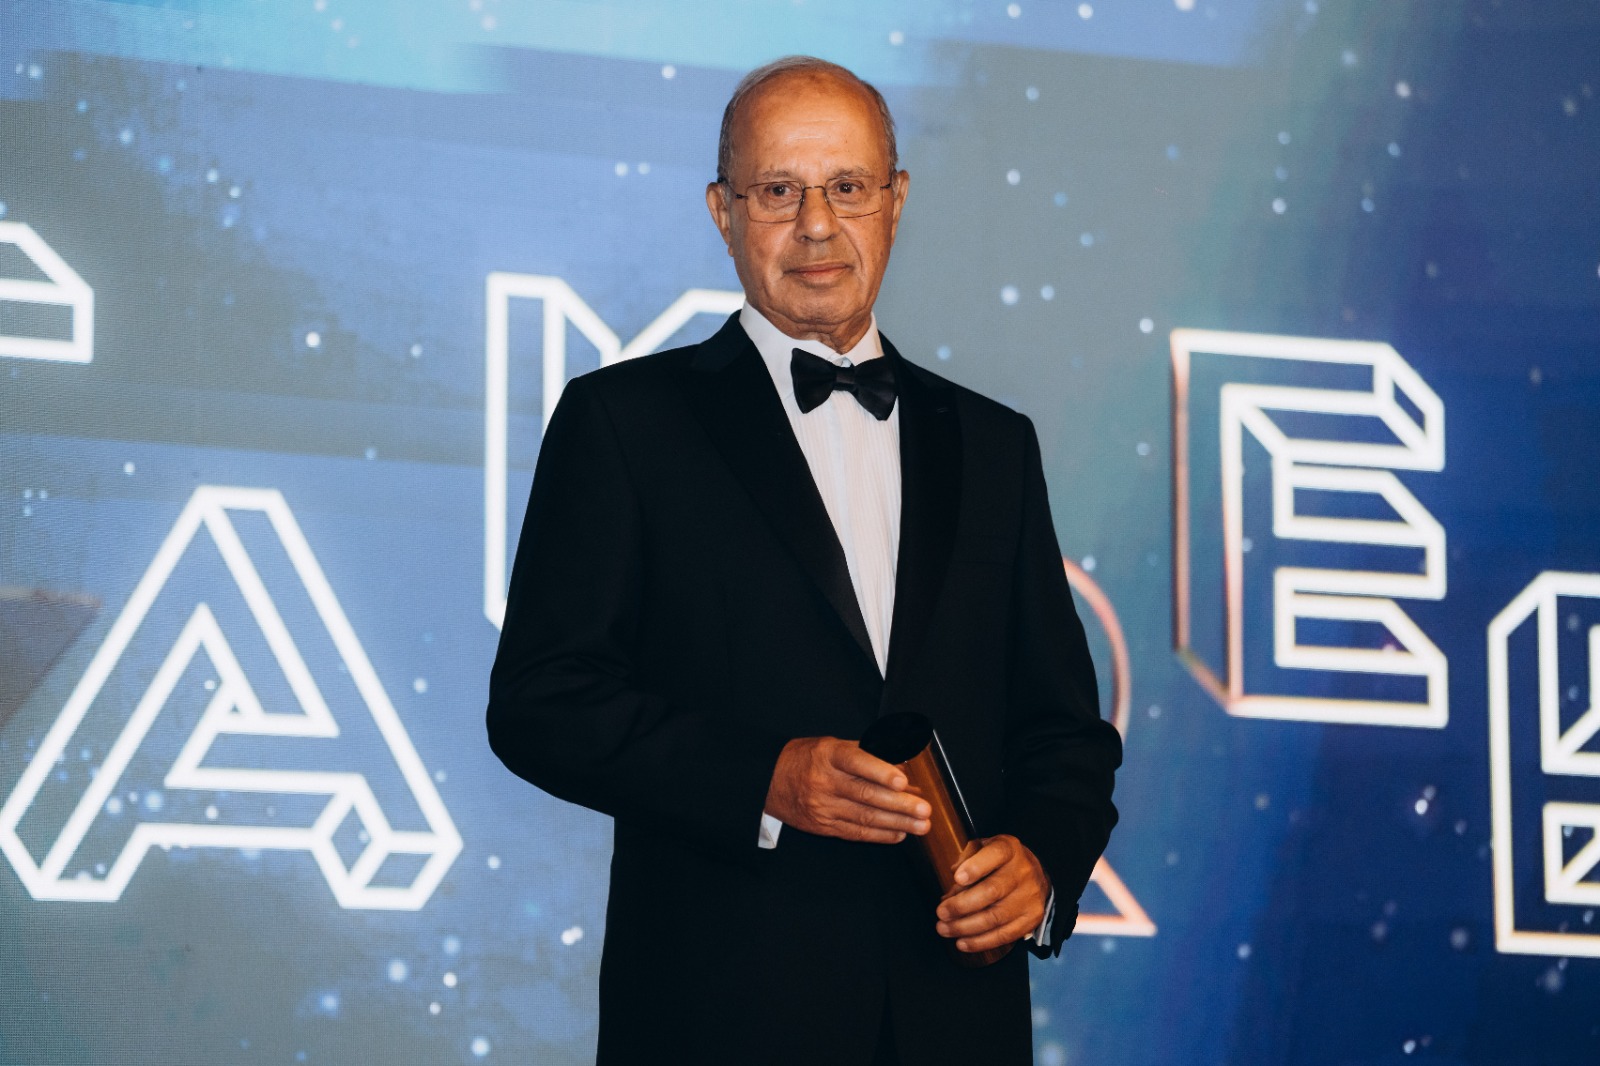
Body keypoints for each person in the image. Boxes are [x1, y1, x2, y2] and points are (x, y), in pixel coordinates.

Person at [486, 55, 1121, 1065]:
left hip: (954, 1022)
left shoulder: (994, 446)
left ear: (896, 201)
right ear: (722, 211)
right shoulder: (625, 423)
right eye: (778, 191)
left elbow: (1064, 731)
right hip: (718, 1019)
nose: (817, 225)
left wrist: (1041, 863)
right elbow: (541, 700)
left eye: (847, 187)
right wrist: (765, 778)